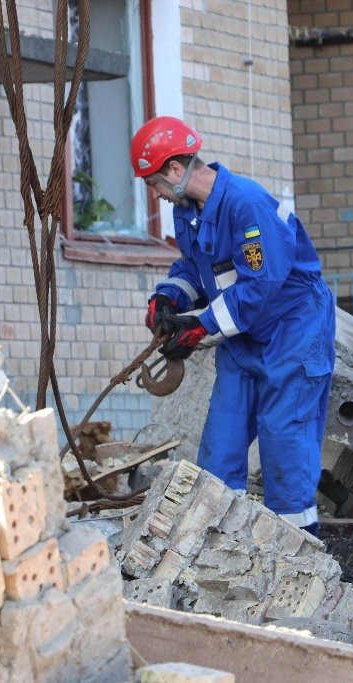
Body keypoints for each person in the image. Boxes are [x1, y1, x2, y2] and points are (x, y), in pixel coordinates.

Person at [132, 116, 335, 537]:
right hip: (243, 336)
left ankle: (300, 553)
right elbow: (195, 265)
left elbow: (260, 285)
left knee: (284, 440)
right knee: (220, 446)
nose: (156, 195)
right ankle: (217, 549)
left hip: (292, 331)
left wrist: (200, 327)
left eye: (153, 184)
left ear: (174, 170)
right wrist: (170, 297)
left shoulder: (247, 203)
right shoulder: (189, 212)